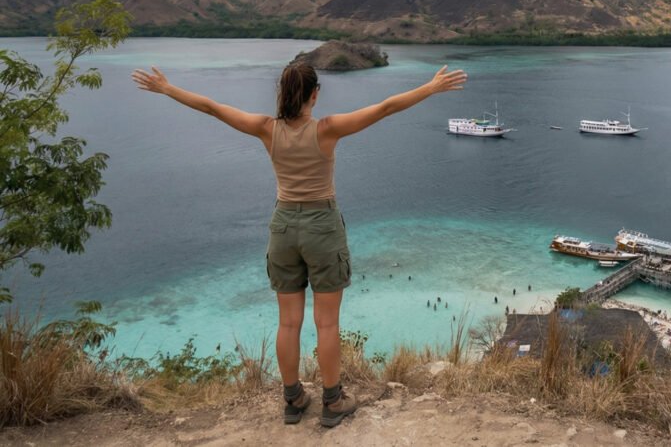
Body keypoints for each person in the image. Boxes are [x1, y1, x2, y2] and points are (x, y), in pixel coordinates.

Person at [131, 62, 466, 427]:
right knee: (327, 324)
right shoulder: (327, 130)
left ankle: (293, 399)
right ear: (314, 94)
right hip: (322, 226)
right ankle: (333, 400)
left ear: (283, 93)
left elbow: (212, 107)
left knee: (288, 323)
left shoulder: (266, 129)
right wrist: (430, 88)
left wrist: (167, 88)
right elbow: (385, 108)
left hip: (283, 228)